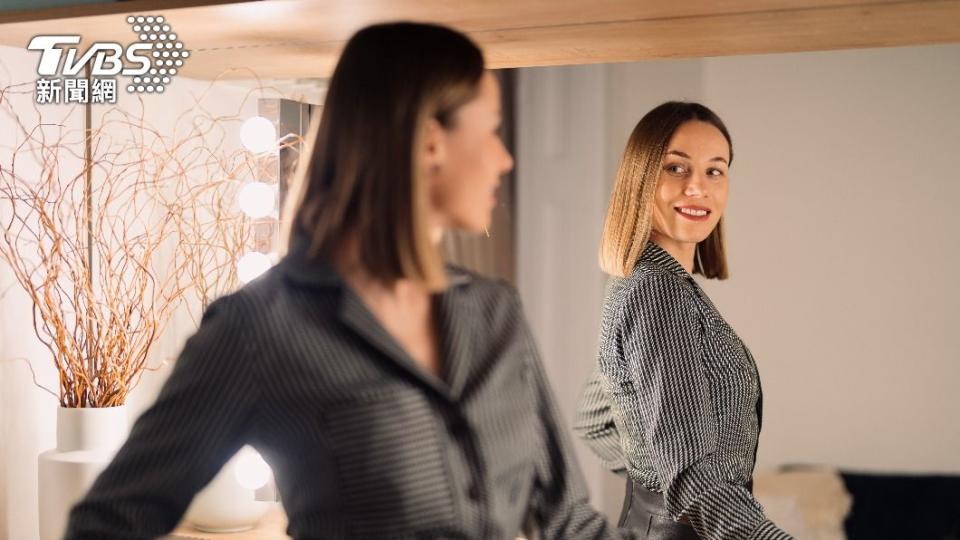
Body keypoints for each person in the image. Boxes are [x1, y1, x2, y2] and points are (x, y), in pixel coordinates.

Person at [65, 22, 639, 540]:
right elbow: (110, 522)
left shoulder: (494, 313)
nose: (504, 159)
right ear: (430, 142)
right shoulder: (261, 330)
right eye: (490, 130)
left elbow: (570, 521)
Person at [573, 102, 793, 539]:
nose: (698, 187)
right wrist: (672, 485)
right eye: (676, 168)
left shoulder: (636, 282)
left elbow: (593, 420)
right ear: (640, 178)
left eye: (715, 170)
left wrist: (654, 482)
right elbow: (693, 475)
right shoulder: (658, 292)